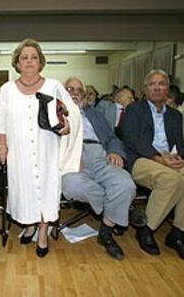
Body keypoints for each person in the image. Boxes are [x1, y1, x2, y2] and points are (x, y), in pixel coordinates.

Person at [0, 38, 82, 258]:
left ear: (41, 62)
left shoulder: (54, 85)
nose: (29, 61)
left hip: (47, 149)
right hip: (18, 153)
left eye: (34, 57)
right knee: (25, 192)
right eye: (24, 57)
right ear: (17, 63)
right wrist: (2, 146)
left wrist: (67, 125)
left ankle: (42, 231)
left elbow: (73, 112)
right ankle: (29, 224)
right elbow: (0, 121)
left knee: (46, 191)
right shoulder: (7, 90)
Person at [62, 77, 137, 260]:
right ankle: (122, 210)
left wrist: (115, 152)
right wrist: (70, 158)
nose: (75, 93)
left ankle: (106, 232)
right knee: (73, 186)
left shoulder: (94, 114)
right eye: (70, 89)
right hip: (72, 157)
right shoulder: (54, 114)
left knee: (125, 184)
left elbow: (112, 138)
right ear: (62, 92)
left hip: (100, 154)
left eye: (79, 90)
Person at [122, 69, 184, 259]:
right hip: (142, 158)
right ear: (145, 89)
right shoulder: (134, 109)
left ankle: (177, 233)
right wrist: (159, 158)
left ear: (168, 89)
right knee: (171, 179)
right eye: (152, 84)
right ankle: (146, 229)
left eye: (162, 84)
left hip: (168, 157)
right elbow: (132, 139)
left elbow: (179, 143)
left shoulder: (175, 115)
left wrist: (180, 157)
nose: (157, 88)